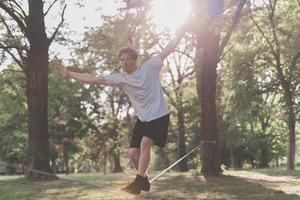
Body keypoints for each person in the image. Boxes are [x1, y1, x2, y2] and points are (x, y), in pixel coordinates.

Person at [54, 24, 189, 195]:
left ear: (135, 60)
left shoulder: (150, 66)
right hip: (143, 118)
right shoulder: (121, 78)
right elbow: (94, 79)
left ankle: (137, 182)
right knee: (133, 152)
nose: (124, 62)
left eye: (128, 59)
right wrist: (69, 73)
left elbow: (169, 48)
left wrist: (181, 31)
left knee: (145, 143)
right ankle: (144, 181)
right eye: (122, 60)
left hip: (159, 115)